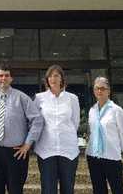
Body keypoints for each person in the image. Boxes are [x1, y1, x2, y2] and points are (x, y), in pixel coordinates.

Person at [0, 63, 44, 194]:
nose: (3, 78)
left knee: (16, 190)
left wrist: (27, 144)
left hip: (16, 153)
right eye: (0, 75)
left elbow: (37, 120)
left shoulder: (22, 98)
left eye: (6, 76)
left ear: (11, 79)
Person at [34, 64, 80, 194]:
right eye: (50, 76)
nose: (53, 78)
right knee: (48, 190)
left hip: (68, 151)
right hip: (46, 151)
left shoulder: (72, 98)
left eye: (56, 75)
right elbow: (36, 123)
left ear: (62, 79)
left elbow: (75, 123)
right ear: (47, 80)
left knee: (68, 189)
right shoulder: (39, 98)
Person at [86, 76, 123, 194]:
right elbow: (92, 131)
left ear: (108, 91)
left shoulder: (117, 110)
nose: (99, 91)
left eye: (103, 88)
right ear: (94, 90)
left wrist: (116, 149)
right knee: (98, 189)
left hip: (111, 156)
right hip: (93, 156)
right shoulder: (92, 110)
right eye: (96, 88)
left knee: (118, 188)